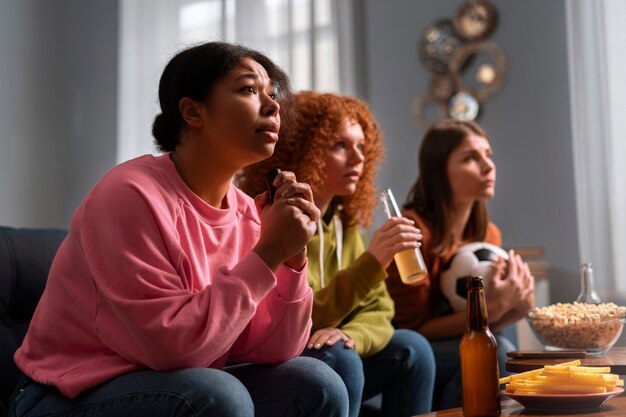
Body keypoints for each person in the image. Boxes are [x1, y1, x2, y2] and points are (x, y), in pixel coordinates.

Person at [8, 42, 349, 417]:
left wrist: (290, 255)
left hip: (178, 380)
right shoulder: (130, 195)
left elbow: (274, 348)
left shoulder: (246, 212)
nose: (273, 106)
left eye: (273, 94)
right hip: (64, 394)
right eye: (249, 89)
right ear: (192, 111)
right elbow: (172, 349)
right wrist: (267, 253)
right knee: (219, 394)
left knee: (318, 382)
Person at [238, 91, 436, 417]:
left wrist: (351, 334)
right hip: (286, 358)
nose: (358, 158)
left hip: (336, 351)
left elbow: (381, 311)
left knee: (412, 348)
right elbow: (298, 319)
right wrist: (372, 263)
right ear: (305, 150)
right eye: (340, 145)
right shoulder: (278, 219)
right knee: (340, 355)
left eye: (361, 146)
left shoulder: (344, 223)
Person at [385, 119, 535, 410]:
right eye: (470, 158)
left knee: (503, 347)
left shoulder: (486, 234)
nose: (488, 166)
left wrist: (518, 305)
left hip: (456, 339)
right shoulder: (411, 232)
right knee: (494, 352)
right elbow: (414, 328)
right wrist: (491, 307)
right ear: (439, 171)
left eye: (488, 155)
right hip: (407, 348)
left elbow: (486, 323)